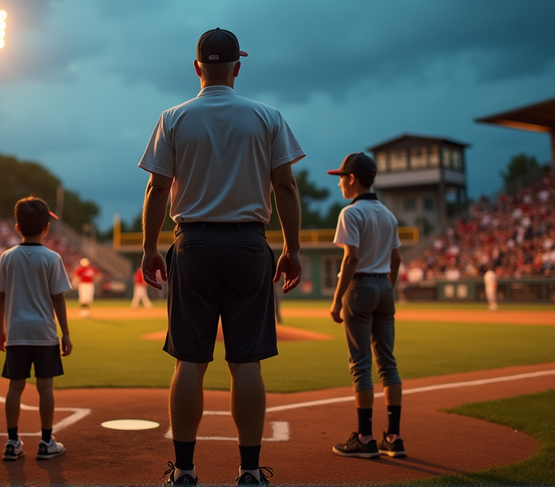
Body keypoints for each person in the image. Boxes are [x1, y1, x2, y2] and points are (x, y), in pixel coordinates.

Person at [140, 28, 304, 486]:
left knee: (189, 362)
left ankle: (185, 471)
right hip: (250, 244)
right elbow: (286, 185)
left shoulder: (173, 117)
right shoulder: (267, 116)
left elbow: (156, 189)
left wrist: (150, 248)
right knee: (245, 362)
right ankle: (249, 472)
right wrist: (291, 249)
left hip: (192, 244)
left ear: (197, 67)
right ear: (237, 67)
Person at [326, 152, 405, 459]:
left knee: (360, 364)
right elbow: (396, 258)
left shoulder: (350, 213)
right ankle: (394, 438)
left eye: (341, 178)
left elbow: (351, 258)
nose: (339, 184)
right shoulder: (388, 215)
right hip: (384, 286)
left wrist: (337, 298)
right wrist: (388, 288)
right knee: (388, 364)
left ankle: (365, 438)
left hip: (360, 288)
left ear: (352, 179)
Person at [0, 197, 72, 461]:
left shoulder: (7, 257)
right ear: (46, 227)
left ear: (17, 227)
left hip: (16, 332)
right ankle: (46, 441)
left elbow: (0, 296)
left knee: (15, 387)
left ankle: (12, 442)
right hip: (44, 332)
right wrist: (66, 333)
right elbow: (58, 298)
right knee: (45, 387)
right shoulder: (52, 258)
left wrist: (0, 329)